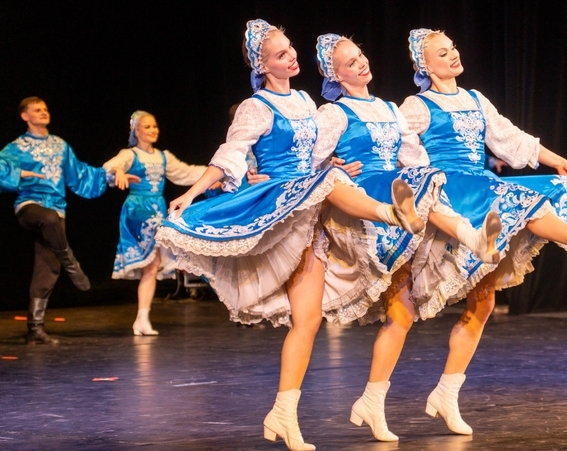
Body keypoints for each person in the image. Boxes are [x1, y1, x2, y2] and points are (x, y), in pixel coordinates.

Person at [154, 20, 424, 451]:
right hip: (282, 205)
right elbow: (230, 155)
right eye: (281, 54)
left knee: (309, 320)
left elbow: (317, 154)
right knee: (333, 185)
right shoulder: (256, 107)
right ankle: (392, 213)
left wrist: (335, 161)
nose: (292, 56)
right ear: (263, 66)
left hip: (310, 208)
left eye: (291, 48)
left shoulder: (304, 100)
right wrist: (192, 192)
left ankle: (283, 412)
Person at [393, 28, 567, 437]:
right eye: (443, 53)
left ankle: (446, 393)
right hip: (450, 192)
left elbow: (509, 138)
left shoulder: (476, 99)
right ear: (426, 66)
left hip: (481, 189)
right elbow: (389, 141)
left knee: (484, 302)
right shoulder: (417, 106)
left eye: (453, 48)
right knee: (402, 308)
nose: (453, 55)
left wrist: (552, 157)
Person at [311, 34, 502, 442]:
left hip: (407, 209)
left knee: (445, 306)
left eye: (361, 56)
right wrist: (333, 164)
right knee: (400, 312)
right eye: (350, 62)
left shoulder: (389, 109)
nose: (361, 64)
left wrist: (439, 185)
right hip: (369, 213)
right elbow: (307, 160)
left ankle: (429, 395)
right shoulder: (333, 114)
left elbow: (414, 159)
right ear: (336, 75)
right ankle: (372, 401)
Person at [0, 97, 138, 344]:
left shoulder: (59, 145)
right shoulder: (16, 147)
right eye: (37, 110)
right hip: (30, 206)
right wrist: (19, 172)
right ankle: (71, 262)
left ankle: (35, 330)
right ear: (25, 116)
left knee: (49, 269)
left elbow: (81, 175)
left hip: (56, 209)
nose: (43, 112)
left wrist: (110, 177)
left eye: (45, 109)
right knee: (48, 217)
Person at [103, 111, 208, 335]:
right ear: (136, 131)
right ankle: (141, 318)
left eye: (155, 126)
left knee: (152, 266)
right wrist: (118, 171)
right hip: (138, 210)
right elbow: (109, 167)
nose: (153, 130)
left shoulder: (163, 157)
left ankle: (142, 318)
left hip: (157, 208)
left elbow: (187, 172)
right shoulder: (130, 154)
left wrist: (215, 173)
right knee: (152, 262)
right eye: (147, 127)